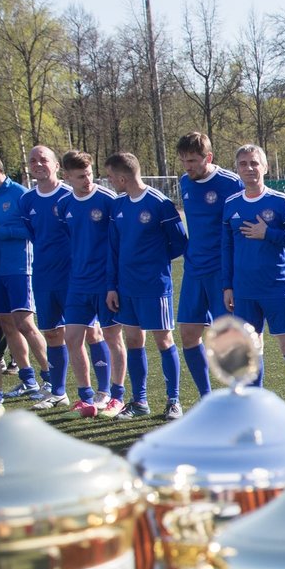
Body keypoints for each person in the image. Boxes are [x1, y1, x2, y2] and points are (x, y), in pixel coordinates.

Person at [105, 151, 188, 418]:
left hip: (154, 286)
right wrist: (112, 285)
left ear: (121, 177)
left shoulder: (159, 203)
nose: (109, 182)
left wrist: (153, 263)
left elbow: (179, 242)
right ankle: (139, 401)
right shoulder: (117, 206)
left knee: (163, 340)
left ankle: (173, 400)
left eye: (109, 177)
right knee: (132, 339)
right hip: (126, 287)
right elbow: (113, 249)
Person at [221, 143, 285, 393]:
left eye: (254, 163)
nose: (249, 168)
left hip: (278, 286)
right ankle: (255, 404)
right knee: (249, 348)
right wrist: (227, 285)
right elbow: (226, 247)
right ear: (236, 169)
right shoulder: (231, 204)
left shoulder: (281, 202)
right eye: (243, 164)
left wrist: (269, 233)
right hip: (244, 289)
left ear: (266, 167)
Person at [0, 151, 50, 402]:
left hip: (20, 269)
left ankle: (51, 377)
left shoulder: (21, 195)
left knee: (25, 323)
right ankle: (27, 379)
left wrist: (0, 232)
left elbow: (32, 229)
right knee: (6, 324)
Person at [175, 131, 244, 400]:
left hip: (221, 270)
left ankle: (236, 395)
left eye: (193, 160)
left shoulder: (231, 183)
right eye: (184, 161)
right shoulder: (185, 182)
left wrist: (233, 276)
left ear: (209, 157)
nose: (188, 167)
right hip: (194, 270)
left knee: (226, 338)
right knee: (188, 334)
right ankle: (206, 397)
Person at [58, 149, 126, 417]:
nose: (87, 180)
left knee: (112, 336)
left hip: (105, 282)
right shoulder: (65, 204)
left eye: (88, 174)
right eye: (80, 176)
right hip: (78, 283)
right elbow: (71, 238)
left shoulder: (108, 200)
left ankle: (115, 395)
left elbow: (118, 241)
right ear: (67, 177)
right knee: (71, 337)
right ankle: (86, 396)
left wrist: (114, 282)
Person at [20, 145, 89, 410]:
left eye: (44, 160)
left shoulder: (69, 195)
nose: (38, 164)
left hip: (74, 276)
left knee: (86, 334)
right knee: (51, 333)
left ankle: (95, 393)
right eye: (33, 160)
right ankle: (59, 391)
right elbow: (33, 234)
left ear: (57, 165)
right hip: (43, 275)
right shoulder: (27, 200)